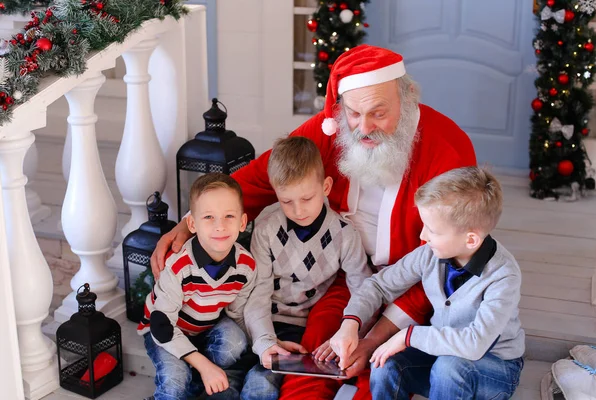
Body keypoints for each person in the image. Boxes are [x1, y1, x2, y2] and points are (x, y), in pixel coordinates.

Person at [151, 44, 477, 399]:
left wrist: (371, 338)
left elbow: (445, 264)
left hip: (414, 286)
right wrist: (188, 222)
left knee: (381, 373)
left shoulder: (449, 148)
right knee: (311, 362)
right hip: (338, 276)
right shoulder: (329, 129)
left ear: (407, 97)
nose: (364, 128)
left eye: (378, 113)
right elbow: (262, 178)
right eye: (353, 113)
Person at [330, 166, 525, 399]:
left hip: (494, 368)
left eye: (432, 230)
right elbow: (379, 285)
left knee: (448, 367)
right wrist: (350, 323)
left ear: (471, 239)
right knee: (386, 363)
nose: (423, 235)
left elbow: (475, 343)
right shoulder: (430, 254)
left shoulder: (503, 276)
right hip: (441, 356)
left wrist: (407, 336)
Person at [240, 136, 373, 400]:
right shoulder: (267, 229)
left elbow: (362, 286)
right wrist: (266, 341)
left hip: (302, 329)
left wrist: (352, 331)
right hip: (263, 321)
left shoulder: (344, 234)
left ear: (325, 186)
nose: (298, 210)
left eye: (306, 198)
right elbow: (258, 292)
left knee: (269, 386)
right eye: (286, 201)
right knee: (250, 384)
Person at [138, 173, 257, 400]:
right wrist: (204, 365)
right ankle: (190, 377)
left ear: (242, 222)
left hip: (205, 328)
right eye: (209, 217)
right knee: (174, 385)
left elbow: (238, 315)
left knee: (235, 342)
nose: (220, 226)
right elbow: (162, 328)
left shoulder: (245, 266)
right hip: (166, 330)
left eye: (229, 216)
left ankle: (200, 378)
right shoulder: (178, 266)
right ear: (192, 223)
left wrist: (266, 341)